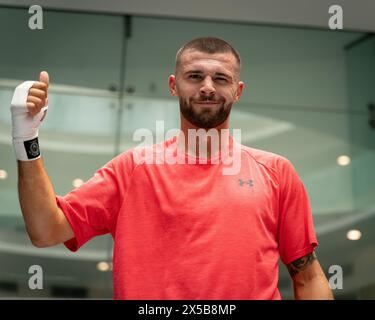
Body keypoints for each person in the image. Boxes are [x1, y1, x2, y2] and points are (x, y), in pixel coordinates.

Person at [11, 37, 334, 300]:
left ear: (237, 91)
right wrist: (26, 137)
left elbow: (307, 277)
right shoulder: (133, 169)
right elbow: (45, 230)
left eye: (220, 78)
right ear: (173, 85)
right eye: (194, 76)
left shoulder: (276, 172)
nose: (207, 86)